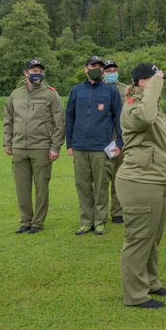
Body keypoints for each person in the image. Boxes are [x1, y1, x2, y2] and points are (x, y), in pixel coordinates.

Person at [116, 63, 166, 309]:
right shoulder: (134, 107)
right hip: (140, 180)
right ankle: (135, 294)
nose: (161, 85)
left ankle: (151, 282)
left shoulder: (154, 105)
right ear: (144, 82)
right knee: (139, 238)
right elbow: (145, 119)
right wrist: (154, 86)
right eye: (157, 80)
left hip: (159, 180)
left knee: (152, 238)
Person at [3, 59, 65, 234]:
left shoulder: (51, 94)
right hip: (19, 148)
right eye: (33, 70)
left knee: (41, 187)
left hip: (42, 148)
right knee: (21, 187)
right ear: (26, 73)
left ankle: (37, 222)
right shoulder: (15, 94)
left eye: (40, 70)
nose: (37, 73)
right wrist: (8, 142)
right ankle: (25, 221)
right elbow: (8, 120)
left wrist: (55, 147)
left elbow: (59, 123)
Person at [65, 55, 123, 236]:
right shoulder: (76, 91)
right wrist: (70, 143)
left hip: (102, 147)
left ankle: (99, 222)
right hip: (80, 147)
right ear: (85, 68)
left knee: (101, 187)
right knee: (82, 186)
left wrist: (120, 142)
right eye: (93, 65)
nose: (96, 68)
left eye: (100, 66)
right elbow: (70, 118)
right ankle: (85, 222)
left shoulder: (110, 91)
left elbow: (119, 118)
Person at [103, 59, 129, 224]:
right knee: (102, 176)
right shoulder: (98, 88)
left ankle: (117, 211)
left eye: (114, 70)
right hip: (102, 137)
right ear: (103, 73)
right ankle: (100, 211)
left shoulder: (126, 90)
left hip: (120, 137)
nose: (112, 73)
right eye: (109, 71)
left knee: (118, 175)